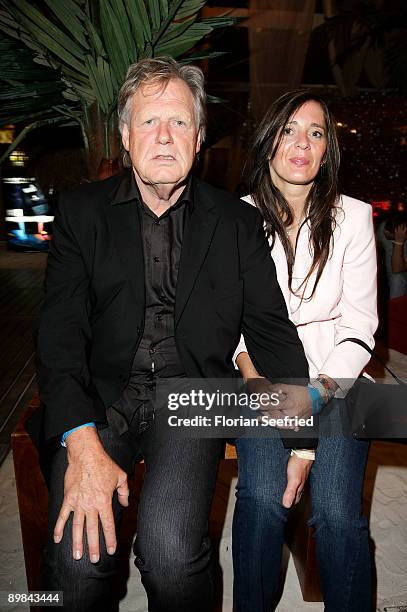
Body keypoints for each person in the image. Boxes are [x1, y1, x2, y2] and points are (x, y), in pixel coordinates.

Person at [28, 58, 313, 612]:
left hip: (191, 395)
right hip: (99, 396)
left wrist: (303, 437)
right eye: (149, 122)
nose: (164, 137)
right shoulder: (82, 214)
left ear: (200, 137)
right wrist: (80, 440)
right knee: (77, 564)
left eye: (180, 123)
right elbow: (59, 332)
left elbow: (273, 333)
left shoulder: (235, 223)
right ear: (126, 136)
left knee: (172, 551)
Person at [233, 90, 378, 611]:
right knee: (260, 501)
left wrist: (317, 396)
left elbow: (361, 324)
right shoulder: (236, 218)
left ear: (328, 151)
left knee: (338, 513)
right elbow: (232, 325)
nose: (302, 143)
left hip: (337, 379)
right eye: (289, 129)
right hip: (262, 377)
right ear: (269, 140)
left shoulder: (355, 217)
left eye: (316, 133)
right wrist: (256, 383)